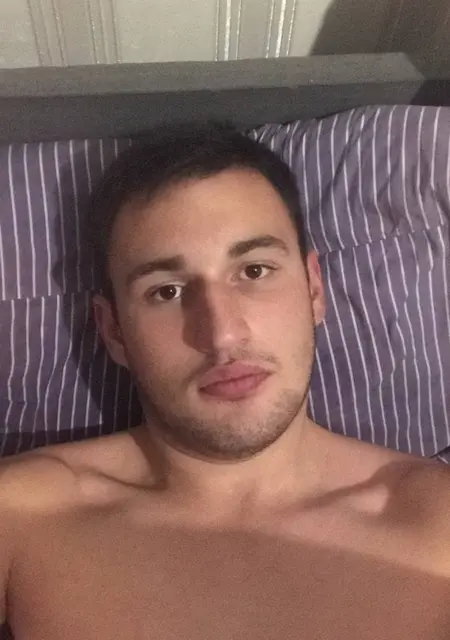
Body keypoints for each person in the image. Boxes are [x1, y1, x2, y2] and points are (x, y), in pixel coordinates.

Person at [1, 124, 450, 640]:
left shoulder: (435, 520)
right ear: (113, 331)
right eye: (166, 291)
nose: (221, 334)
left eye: (255, 271)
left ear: (314, 289)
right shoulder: (23, 514)